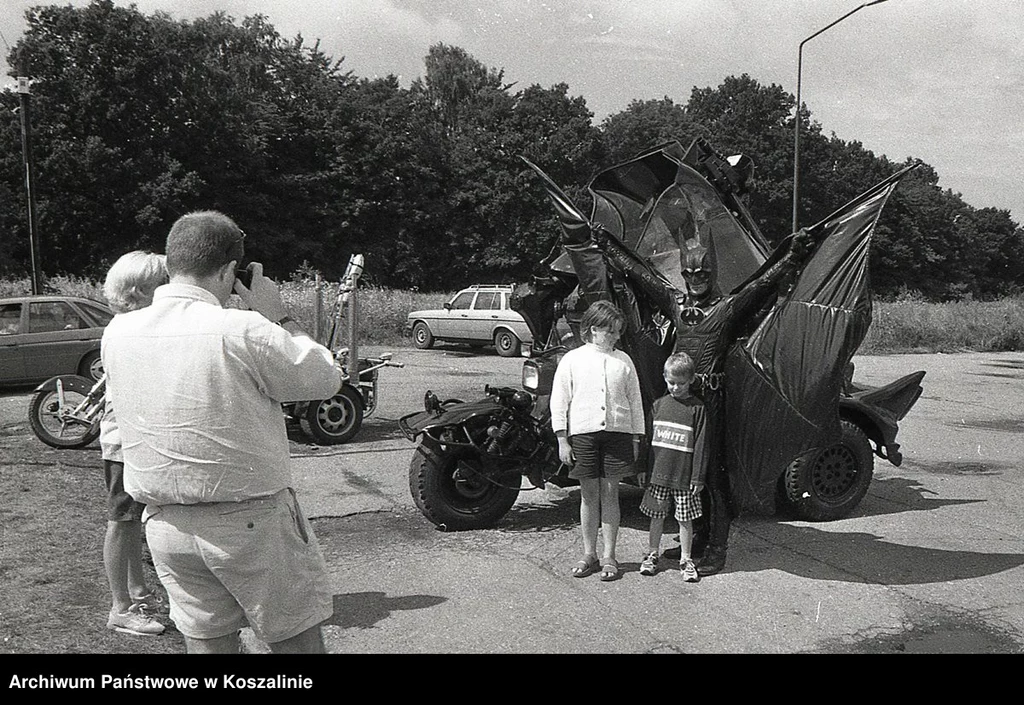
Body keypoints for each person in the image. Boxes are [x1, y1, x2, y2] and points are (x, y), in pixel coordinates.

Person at [101, 211, 344, 654]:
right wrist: (280, 316)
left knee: (209, 648)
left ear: (172, 263)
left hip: (166, 522)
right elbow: (324, 378)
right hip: (248, 520)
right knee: (297, 647)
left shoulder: (119, 331)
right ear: (231, 271)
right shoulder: (242, 329)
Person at [550, 300, 645, 582]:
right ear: (593, 329)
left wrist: (636, 435)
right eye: (611, 331)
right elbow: (559, 400)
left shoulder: (624, 361)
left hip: (617, 435)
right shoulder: (573, 359)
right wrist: (561, 439)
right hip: (584, 435)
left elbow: (635, 400)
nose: (616, 337)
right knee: (589, 496)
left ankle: (609, 555)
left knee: (611, 494)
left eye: (618, 332)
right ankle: (589, 553)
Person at [100, 251, 169, 636]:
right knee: (122, 521)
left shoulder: (127, 324)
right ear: (141, 291)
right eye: (163, 284)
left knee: (130, 520)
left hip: (129, 438)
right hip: (123, 441)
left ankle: (137, 594)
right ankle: (121, 608)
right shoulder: (129, 330)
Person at [638, 352, 705, 582]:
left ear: (692, 380)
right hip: (658, 475)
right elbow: (649, 442)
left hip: (684, 477)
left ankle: (686, 559)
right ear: (665, 378)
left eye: (681, 383)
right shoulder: (658, 406)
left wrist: (697, 477)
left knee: (685, 518)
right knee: (656, 516)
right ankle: (652, 553)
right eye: (671, 382)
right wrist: (643, 470)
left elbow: (701, 445)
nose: (675, 388)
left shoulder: (697, 409)